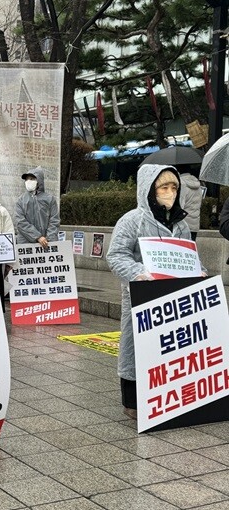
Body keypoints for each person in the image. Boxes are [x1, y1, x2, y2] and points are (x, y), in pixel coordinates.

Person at [107, 165, 194, 420]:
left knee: (166, 347)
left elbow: (188, 256)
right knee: (135, 346)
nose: (169, 192)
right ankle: (132, 401)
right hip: (139, 295)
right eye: (163, 187)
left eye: (174, 188)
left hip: (171, 298)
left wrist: (197, 271)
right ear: (150, 190)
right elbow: (116, 255)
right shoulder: (132, 220)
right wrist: (139, 273)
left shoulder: (181, 224)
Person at [15, 167, 60, 248]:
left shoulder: (49, 199)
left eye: (32, 179)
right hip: (25, 244)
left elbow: (54, 220)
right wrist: (38, 237)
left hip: (46, 244)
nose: (28, 182)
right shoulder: (21, 200)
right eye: (27, 179)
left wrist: (48, 239)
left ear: (39, 181)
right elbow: (20, 222)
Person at [178, 170, 203, 241]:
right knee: (191, 249)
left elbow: (180, 205)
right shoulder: (198, 184)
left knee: (181, 249)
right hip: (195, 224)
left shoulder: (181, 184)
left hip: (183, 224)